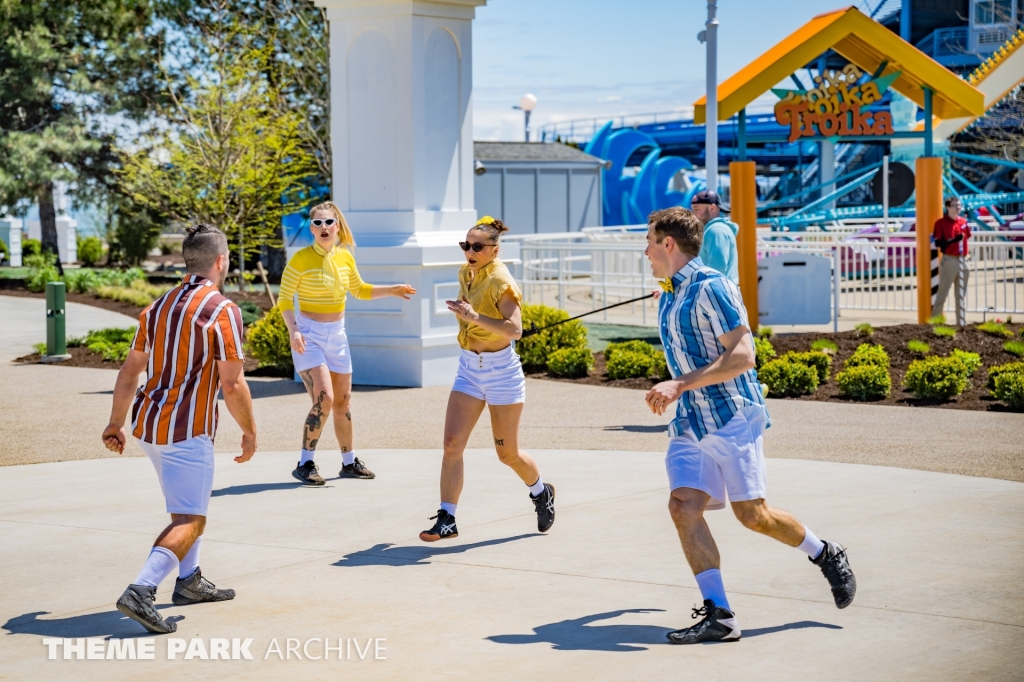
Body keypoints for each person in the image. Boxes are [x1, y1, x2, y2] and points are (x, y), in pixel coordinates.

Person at [642, 207, 855, 644]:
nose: (644, 251)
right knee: (683, 507)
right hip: (690, 421)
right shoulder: (670, 292)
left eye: (649, 242)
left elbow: (743, 356)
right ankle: (720, 616)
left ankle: (825, 553)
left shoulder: (713, 287)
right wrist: (678, 389)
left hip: (730, 415)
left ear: (668, 244)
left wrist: (678, 383)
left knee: (753, 516)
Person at [102, 223, 257, 634]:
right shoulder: (223, 311)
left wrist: (116, 422)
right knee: (191, 519)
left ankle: (189, 582)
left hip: (148, 426)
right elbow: (233, 382)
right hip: (187, 431)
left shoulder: (156, 308)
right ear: (220, 262)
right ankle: (142, 589)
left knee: (185, 507)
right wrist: (250, 431)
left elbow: (130, 370)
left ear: (189, 261)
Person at [419, 216, 555, 542]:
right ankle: (447, 517)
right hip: (469, 367)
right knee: (452, 444)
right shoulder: (467, 272)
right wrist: (466, 313)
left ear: (494, 250)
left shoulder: (500, 280)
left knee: (507, 453)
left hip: (502, 373)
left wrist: (474, 316)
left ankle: (541, 492)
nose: (470, 250)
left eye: (477, 246)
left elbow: (515, 330)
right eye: (466, 245)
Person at [279, 201, 416, 486]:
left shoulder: (345, 258)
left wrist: (392, 289)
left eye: (328, 222)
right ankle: (305, 463)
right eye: (317, 223)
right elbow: (284, 300)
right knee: (324, 399)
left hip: (337, 335)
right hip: (309, 334)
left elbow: (359, 290)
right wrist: (294, 331)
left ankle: (349, 462)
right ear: (311, 229)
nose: (323, 228)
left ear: (337, 226)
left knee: (342, 402)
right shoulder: (300, 259)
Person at [932, 196, 971, 326]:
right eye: (955, 205)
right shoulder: (941, 223)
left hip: (963, 260)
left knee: (960, 296)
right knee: (942, 293)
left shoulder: (963, 222)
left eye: (959, 205)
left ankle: (961, 324)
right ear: (948, 207)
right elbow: (939, 243)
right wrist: (954, 240)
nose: (957, 207)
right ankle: (935, 323)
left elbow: (967, 237)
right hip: (950, 260)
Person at [690, 189, 739, 285]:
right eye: (693, 210)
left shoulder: (716, 230)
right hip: (718, 291)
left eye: (697, 209)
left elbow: (716, 269)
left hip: (715, 292)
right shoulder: (714, 229)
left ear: (712, 208)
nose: (694, 214)